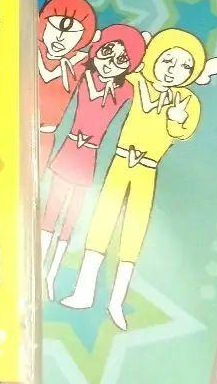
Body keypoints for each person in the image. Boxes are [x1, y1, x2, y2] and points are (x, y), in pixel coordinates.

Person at [61, 28, 210, 330]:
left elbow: (182, 132)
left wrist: (177, 120)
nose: (174, 70)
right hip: (119, 162)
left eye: (185, 66)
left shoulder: (187, 101)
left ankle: (116, 302)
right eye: (167, 60)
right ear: (154, 56)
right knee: (101, 222)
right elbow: (110, 77)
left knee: (134, 232)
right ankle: (83, 292)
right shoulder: (137, 81)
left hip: (147, 170)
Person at [40, 24, 146, 300]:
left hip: (92, 160)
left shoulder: (126, 91)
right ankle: (37, 272)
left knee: (71, 220)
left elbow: (142, 93)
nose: (110, 62)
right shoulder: (79, 75)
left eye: (121, 59)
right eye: (107, 51)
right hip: (67, 152)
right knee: (50, 213)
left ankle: (51, 276)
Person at [36, 0, 97, 170]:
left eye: (71, 34)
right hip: (15, 126)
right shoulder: (30, 47)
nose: (60, 38)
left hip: (45, 137)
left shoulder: (80, 63)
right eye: (54, 28)